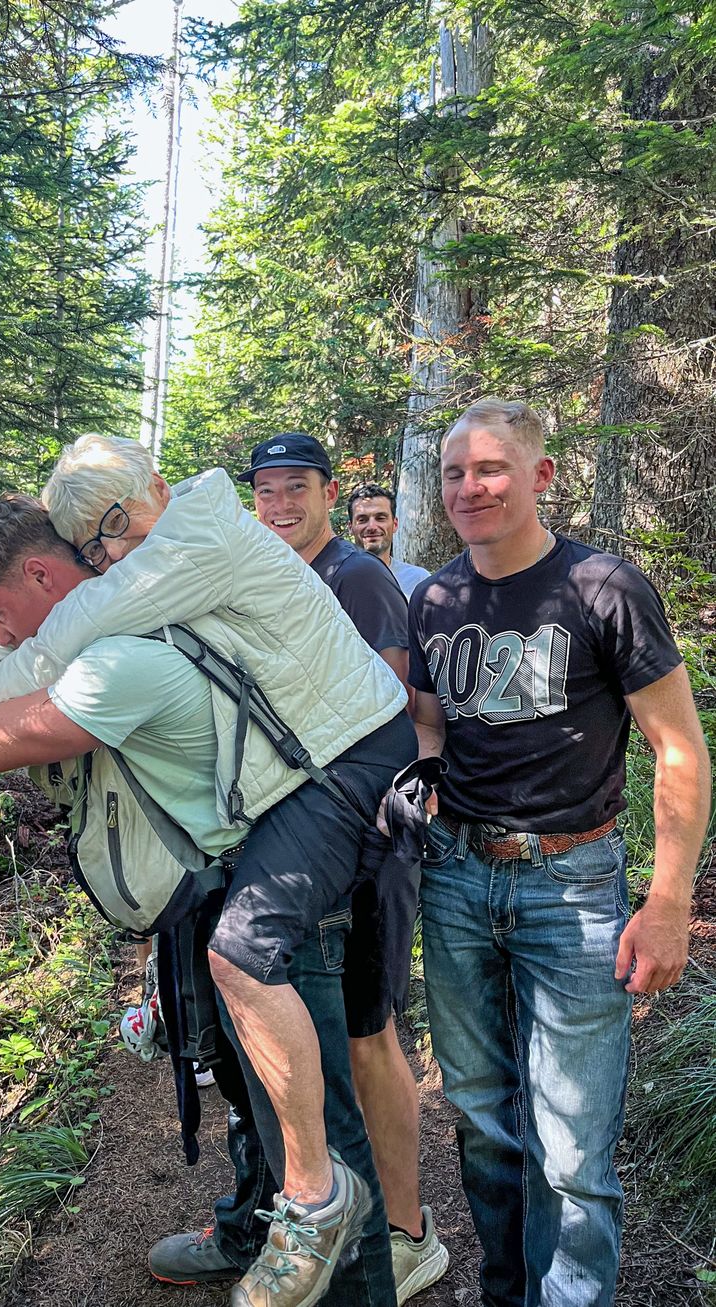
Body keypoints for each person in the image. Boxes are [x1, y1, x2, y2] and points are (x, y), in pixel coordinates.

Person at [0, 477, 415, 1307]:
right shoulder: (79, 623)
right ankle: (256, 1228)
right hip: (219, 878)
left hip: (282, 873)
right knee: (251, 1098)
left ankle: (338, 1267)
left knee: (316, 1137)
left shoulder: (119, 655)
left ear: (42, 578)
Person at [398, 398, 711, 1307]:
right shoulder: (436, 598)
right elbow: (429, 719)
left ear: (540, 476)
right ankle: (509, 1290)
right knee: (486, 1122)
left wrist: (665, 902)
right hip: (456, 879)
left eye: (491, 469)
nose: (470, 487)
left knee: (572, 1148)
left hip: (572, 885)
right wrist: (420, 788)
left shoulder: (604, 588)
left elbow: (681, 748)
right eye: (455, 473)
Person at [235, 433, 446, 1301]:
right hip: (305, 837)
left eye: (296, 489)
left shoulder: (355, 576)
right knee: (331, 1034)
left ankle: (407, 1232)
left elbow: (383, 705)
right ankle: (325, 1216)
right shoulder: (272, 574)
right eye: (266, 491)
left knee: (368, 1033)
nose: (280, 504)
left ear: (327, 493)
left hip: (364, 833)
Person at [346, 483, 429, 599]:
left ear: (395, 524)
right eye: (362, 520)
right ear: (350, 527)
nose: (372, 527)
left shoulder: (419, 580)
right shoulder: (338, 579)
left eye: (380, 518)